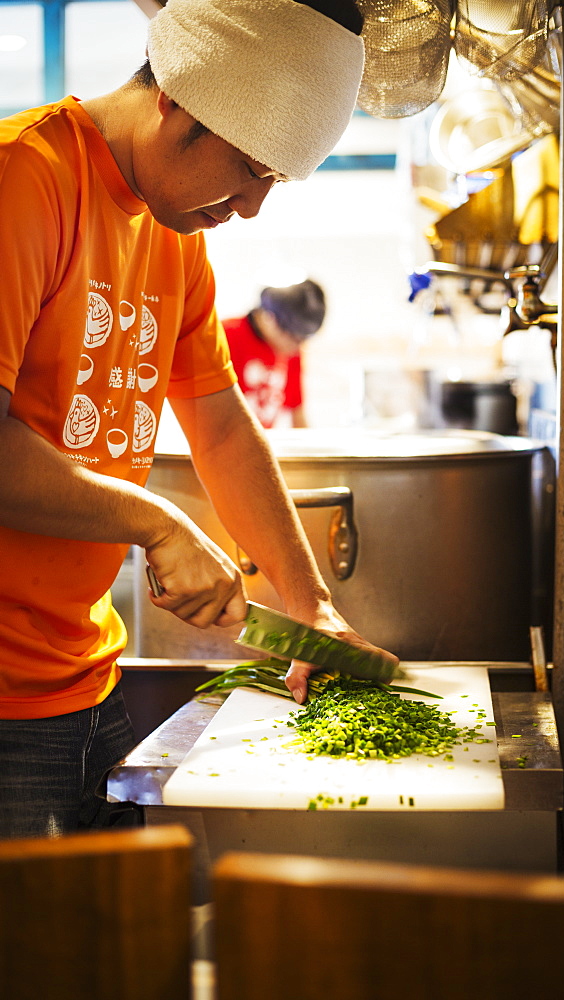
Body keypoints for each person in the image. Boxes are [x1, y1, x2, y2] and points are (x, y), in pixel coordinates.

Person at [0, 0, 398, 839]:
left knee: (113, 958)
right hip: (3, 706)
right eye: (248, 167)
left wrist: (309, 606)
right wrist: (158, 522)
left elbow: (219, 423)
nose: (251, 207)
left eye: (273, 182)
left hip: (84, 678)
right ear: (178, 96)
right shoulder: (22, 179)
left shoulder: (176, 234)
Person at [224, 278, 326, 428]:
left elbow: (297, 414)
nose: (298, 346)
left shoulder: (292, 351)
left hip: (258, 444)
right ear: (269, 318)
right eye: (293, 336)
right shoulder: (225, 337)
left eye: (303, 338)